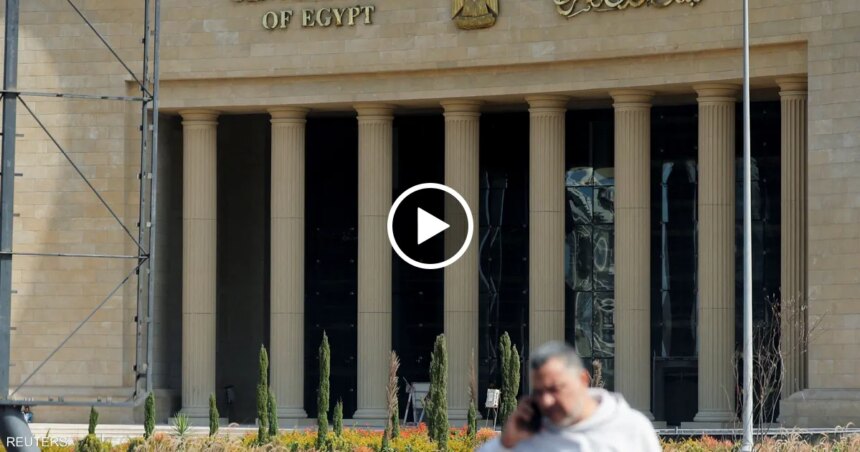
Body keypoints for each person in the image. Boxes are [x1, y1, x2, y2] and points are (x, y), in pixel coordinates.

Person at [479, 341, 661, 451]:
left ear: (583, 379)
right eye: (539, 392)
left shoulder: (631, 429)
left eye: (555, 389)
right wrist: (505, 443)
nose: (546, 401)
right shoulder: (527, 435)